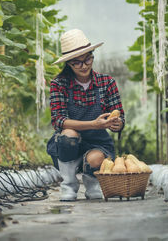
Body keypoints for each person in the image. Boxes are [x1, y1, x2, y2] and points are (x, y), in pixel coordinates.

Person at [47, 29, 125, 201]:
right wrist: (93, 124)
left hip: (97, 142)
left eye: (88, 59)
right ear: (68, 63)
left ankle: (92, 185)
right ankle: (69, 185)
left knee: (96, 159)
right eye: (77, 62)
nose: (84, 65)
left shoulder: (107, 83)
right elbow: (58, 121)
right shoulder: (59, 84)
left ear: (92, 55)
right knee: (68, 136)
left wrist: (117, 124)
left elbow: (120, 116)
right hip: (70, 143)